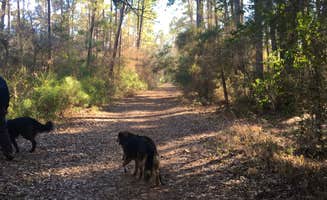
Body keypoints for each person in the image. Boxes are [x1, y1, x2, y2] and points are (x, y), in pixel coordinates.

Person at [0, 76, 13, 160]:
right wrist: (5, 107)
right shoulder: (2, 81)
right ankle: (8, 152)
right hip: (1, 108)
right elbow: (7, 95)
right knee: (2, 130)